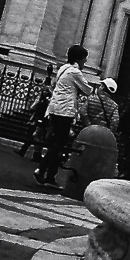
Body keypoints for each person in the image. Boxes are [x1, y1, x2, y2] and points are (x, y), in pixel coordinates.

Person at [34, 46, 94, 190]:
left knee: (56, 142)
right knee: (59, 144)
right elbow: (88, 90)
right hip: (64, 111)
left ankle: (44, 171)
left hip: (55, 108)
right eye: (84, 58)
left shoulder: (63, 68)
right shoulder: (75, 72)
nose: (85, 61)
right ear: (79, 59)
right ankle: (47, 174)